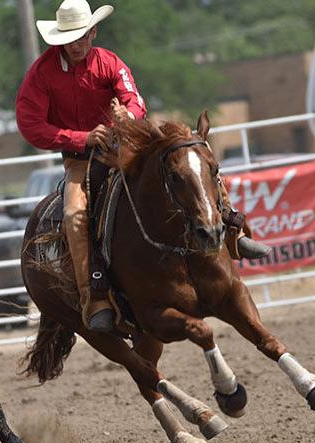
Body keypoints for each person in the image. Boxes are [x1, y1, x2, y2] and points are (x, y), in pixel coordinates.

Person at [15, 0, 271, 332]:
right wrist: (82, 138)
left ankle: (233, 234)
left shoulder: (109, 63)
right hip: (81, 160)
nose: (76, 45)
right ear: (58, 40)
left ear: (93, 32)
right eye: (68, 39)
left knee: (192, 168)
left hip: (128, 148)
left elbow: (134, 99)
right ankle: (94, 297)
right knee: (74, 214)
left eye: (81, 36)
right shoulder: (41, 74)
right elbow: (31, 125)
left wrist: (128, 115)